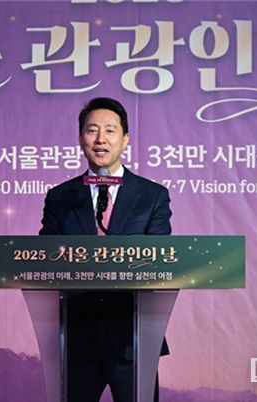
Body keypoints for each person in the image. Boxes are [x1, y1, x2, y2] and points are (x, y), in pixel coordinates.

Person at [39, 97, 172, 402]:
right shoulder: (60, 197)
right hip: (77, 339)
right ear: (81, 138)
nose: (100, 139)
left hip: (133, 340)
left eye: (110, 130)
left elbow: (159, 260)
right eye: (92, 130)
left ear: (125, 139)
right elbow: (46, 259)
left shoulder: (152, 196)